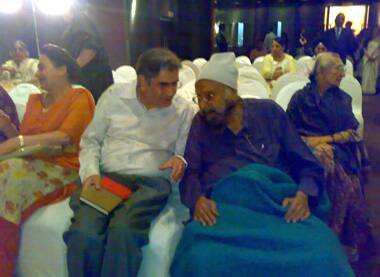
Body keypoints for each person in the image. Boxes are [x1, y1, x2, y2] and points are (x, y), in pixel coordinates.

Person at [171, 52, 354, 277]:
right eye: (199, 98)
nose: (203, 105)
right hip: (225, 213)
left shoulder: (269, 113)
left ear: (231, 93)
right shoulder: (201, 124)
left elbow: (306, 162)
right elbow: (191, 173)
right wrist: (197, 200)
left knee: (326, 254)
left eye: (210, 96)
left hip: (276, 207)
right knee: (200, 258)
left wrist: (304, 193)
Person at [64, 48, 195, 277]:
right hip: (107, 178)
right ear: (142, 81)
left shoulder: (183, 110)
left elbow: (183, 155)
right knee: (84, 233)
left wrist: (180, 160)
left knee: (123, 232)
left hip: (150, 184)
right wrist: (91, 173)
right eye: (163, 85)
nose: (171, 92)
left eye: (174, 84)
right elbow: (91, 141)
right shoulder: (114, 96)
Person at [0, 44, 95, 277]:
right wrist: (8, 128)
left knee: (8, 172)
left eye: (43, 67)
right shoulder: (34, 101)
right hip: (30, 162)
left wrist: (17, 141)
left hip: (64, 169)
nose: (37, 73)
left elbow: (64, 137)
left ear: (62, 69)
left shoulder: (79, 97)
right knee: (9, 169)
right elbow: (29, 141)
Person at [287, 52, 372, 262]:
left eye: (343, 68)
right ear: (321, 72)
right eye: (337, 68)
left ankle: (335, 237)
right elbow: (288, 132)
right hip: (303, 150)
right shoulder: (300, 99)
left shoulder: (342, 99)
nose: (342, 73)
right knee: (323, 161)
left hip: (340, 150)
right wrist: (311, 144)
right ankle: (319, 234)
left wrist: (326, 140)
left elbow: (353, 133)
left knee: (337, 171)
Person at [61, 7, 113, 102]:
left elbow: (91, 47)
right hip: (88, 78)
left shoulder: (80, 20)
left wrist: (70, 71)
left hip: (92, 79)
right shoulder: (76, 22)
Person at [361, 27, 380, 95]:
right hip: (367, 58)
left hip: (375, 59)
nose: (375, 31)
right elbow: (364, 48)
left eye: (376, 30)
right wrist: (367, 55)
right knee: (366, 74)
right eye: (374, 30)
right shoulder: (369, 38)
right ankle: (365, 89)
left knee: (373, 75)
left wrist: (373, 57)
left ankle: (371, 90)